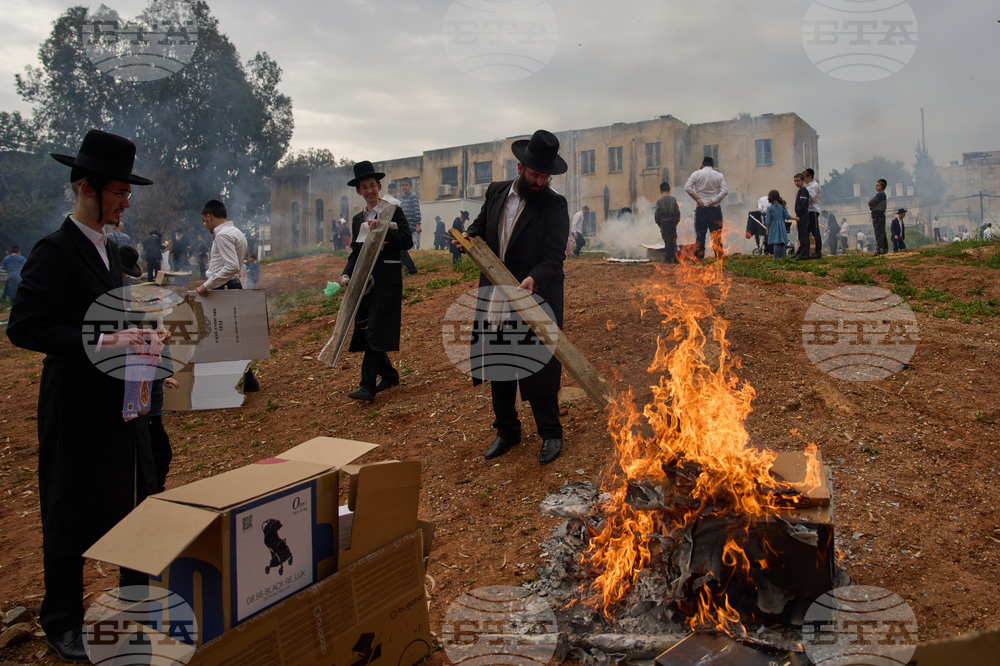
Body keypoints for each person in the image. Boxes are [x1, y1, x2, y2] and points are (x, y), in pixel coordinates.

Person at [5, 129, 158, 664]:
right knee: (71, 507)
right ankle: (62, 620)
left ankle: (135, 605)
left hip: (121, 401)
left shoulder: (112, 252)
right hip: (73, 403)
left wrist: (144, 342)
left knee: (132, 496)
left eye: (128, 193)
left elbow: (118, 320)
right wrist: (99, 340)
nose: (125, 202)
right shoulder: (55, 250)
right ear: (87, 188)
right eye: (119, 192)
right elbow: (24, 328)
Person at [458, 129, 570, 466]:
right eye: (535, 174)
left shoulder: (555, 205)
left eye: (545, 176)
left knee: (538, 366)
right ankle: (507, 430)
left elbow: (554, 258)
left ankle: (551, 432)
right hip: (496, 293)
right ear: (520, 168)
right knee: (500, 363)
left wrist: (534, 279)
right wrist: (469, 236)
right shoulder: (494, 192)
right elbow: (481, 226)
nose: (540, 182)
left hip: (535, 294)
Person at [336, 161, 412, 402]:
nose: (369, 191)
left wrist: (383, 228)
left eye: (372, 185)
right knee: (369, 329)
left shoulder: (392, 211)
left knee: (375, 329)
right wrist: (346, 273)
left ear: (379, 186)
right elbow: (355, 252)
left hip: (387, 280)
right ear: (358, 191)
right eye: (363, 187)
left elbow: (407, 241)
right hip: (364, 283)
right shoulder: (358, 218)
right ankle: (389, 375)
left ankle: (367, 385)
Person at [196, 199, 259, 392]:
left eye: (204, 221)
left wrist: (206, 285)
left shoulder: (222, 235)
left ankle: (234, 383)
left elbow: (231, 266)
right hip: (232, 285)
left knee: (221, 336)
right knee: (233, 336)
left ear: (209, 216)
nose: (205, 225)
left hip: (222, 288)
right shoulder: (236, 232)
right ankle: (247, 381)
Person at [684, 156, 728, 260]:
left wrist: (698, 199)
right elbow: (724, 191)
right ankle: (719, 258)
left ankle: (699, 257)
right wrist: (714, 200)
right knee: (716, 235)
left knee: (700, 234)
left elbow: (687, 188)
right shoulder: (719, 175)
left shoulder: (696, 174)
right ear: (713, 165)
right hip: (715, 209)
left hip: (701, 208)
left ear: (702, 165)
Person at [654, 184, 680, 262]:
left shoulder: (659, 201)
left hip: (664, 223)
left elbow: (657, 213)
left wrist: (659, 223)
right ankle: (675, 258)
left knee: (667, 240)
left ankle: (668, 258)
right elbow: (677, 212)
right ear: (669, 190)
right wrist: (676, 222)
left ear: (660, 191)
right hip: (672, 222)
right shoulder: (673, 199)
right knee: (673, 240)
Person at [764, 190, 793, 259]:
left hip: (773, 227)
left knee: (776, 243)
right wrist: (795, 218)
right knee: (782, 243)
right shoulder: (782, 206)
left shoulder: (770, 208)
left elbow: (767, 221)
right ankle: (784, 258)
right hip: (782, 226)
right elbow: (787, 216)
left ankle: (776, 258)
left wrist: (767, 229)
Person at [803, 168, 823, 258]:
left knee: (815, 231)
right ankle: (805, 251)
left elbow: (813, 197)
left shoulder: (814, 185)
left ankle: (818, 251)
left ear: (809, 176)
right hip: (808, 210)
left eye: (804, 177)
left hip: (813, 210)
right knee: (806, 231)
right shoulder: (808, 186)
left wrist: (804, 192)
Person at [793, 173, 812, 260]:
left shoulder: (803, 191)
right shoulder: (800, 191)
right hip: (800, 215)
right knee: (801, 234)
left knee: (804, 234)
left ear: (803, 181)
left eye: (798, 181)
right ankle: (801, 251)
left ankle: (805, 253)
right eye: (795, 181)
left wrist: (799, 214)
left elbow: (803, 205)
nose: (796, 183)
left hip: (803, 215)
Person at [868, 179, 889, 255]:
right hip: (880, 216)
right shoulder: (882, 195)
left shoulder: (880, 195)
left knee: (878, 234)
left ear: (882, 186)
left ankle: (879, 250)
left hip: (878, 216)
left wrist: (872, 206)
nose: (876, 187)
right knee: (882, 233)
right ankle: (885, 249)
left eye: (878, 185)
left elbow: (870, 202)